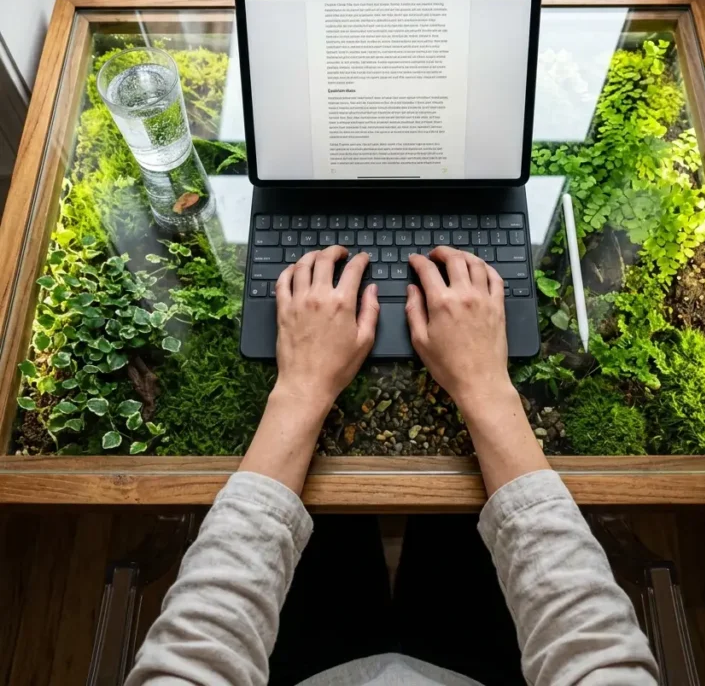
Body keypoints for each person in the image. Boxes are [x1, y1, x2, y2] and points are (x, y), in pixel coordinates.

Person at [126, 246, 659, 686]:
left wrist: (304, 388)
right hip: (481, 664)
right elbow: (598, 657)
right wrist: (483, 385)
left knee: (332, 519)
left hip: (309, 665)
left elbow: (195, 659)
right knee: (457, 520)